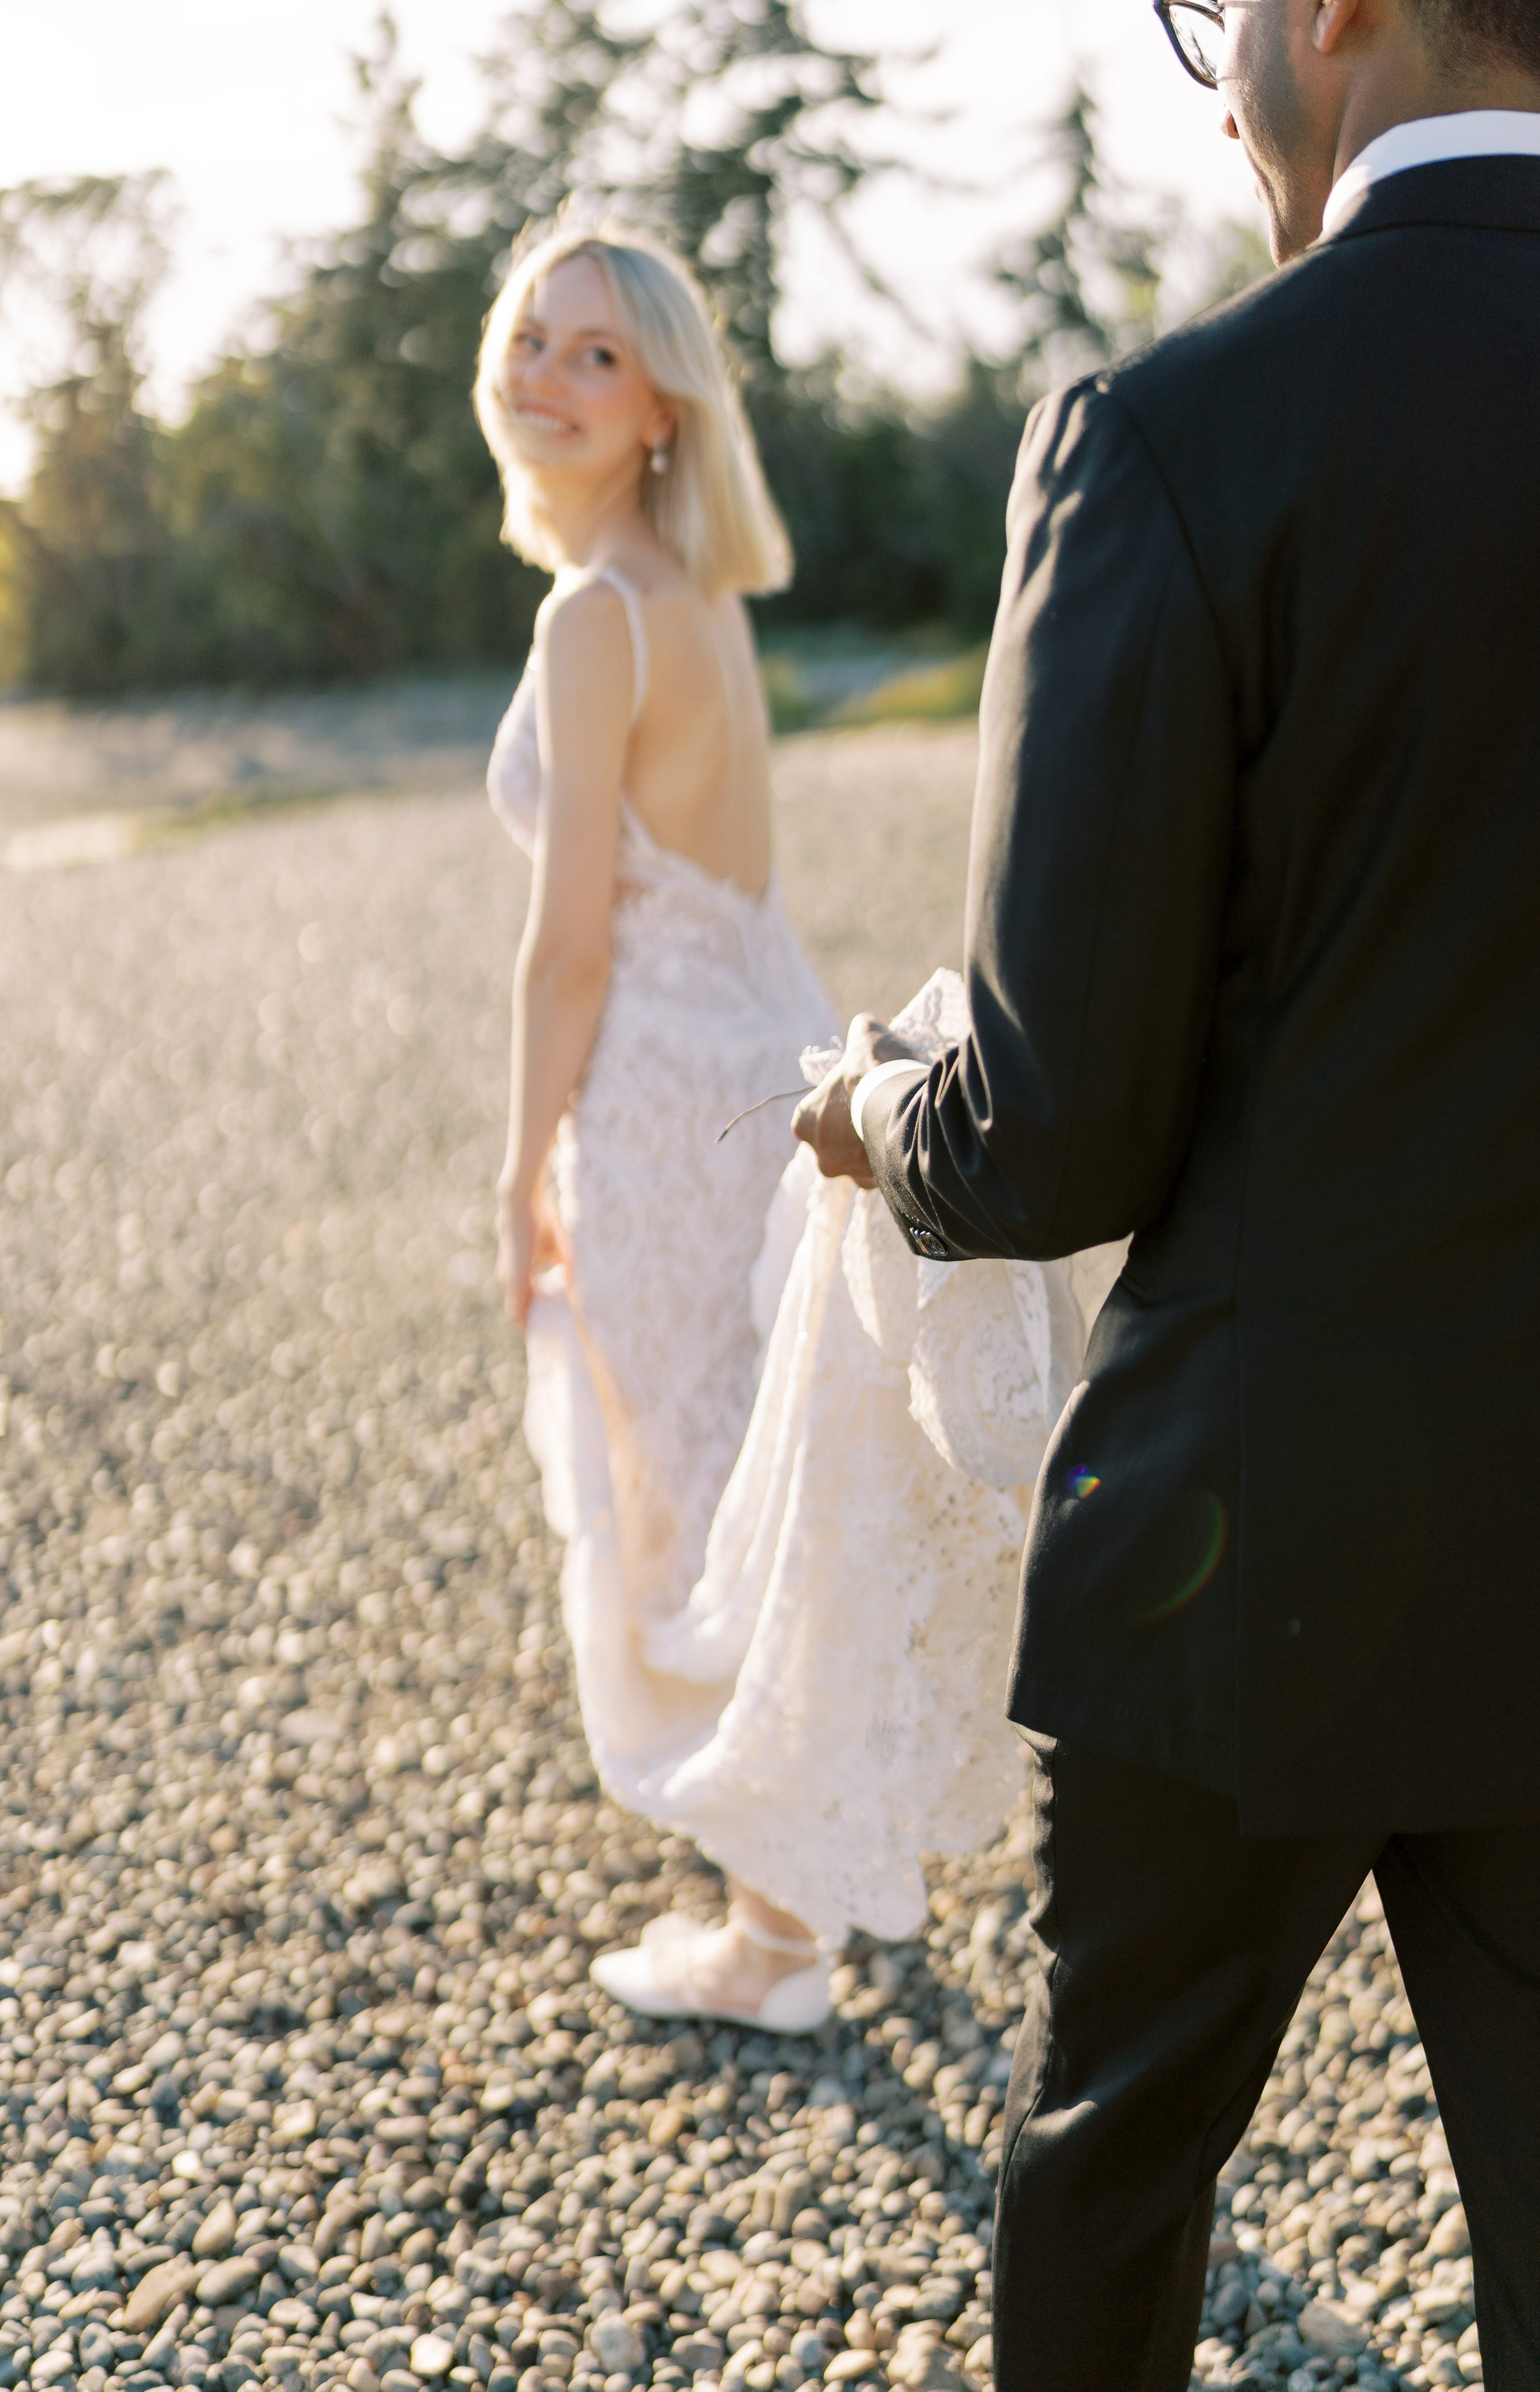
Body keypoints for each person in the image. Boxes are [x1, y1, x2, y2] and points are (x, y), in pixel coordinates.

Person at [795, 0, 1540, 2382]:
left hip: (1267, 1538)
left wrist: (874, 1114)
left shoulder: (1173, 436)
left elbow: (1061, 1123)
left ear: (1335, 11)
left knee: (1121, 2168)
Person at [478, 224, 836, 2025]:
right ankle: (790, 1894)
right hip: (755, 1061)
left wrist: (517, 1162)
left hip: (661, 1099)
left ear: (667, 405)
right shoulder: (688, 593)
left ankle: (774, 1937)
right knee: (737, 1465)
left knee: (690, 1487)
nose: (546, 372)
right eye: (533, 337)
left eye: (596, 354)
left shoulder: (600, 611)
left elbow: (567, 953)